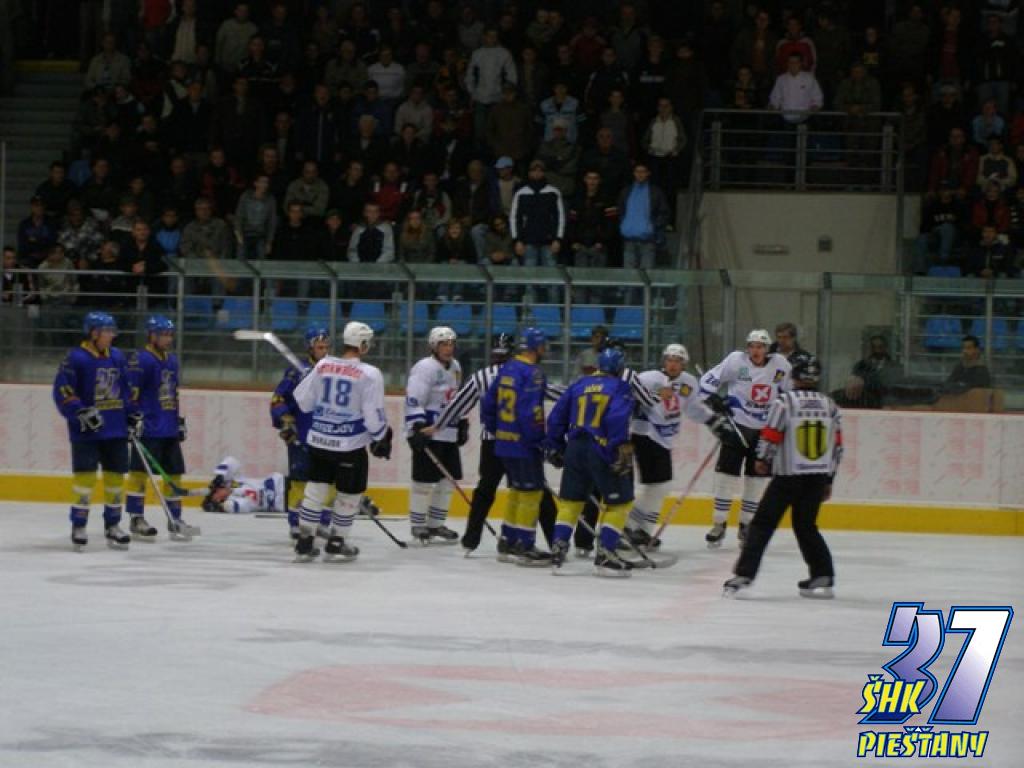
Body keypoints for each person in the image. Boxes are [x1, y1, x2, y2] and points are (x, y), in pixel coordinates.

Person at [723, 356, 842, 599]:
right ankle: (823, 574)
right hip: (817, 476)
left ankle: (744, 575)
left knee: (762, 524)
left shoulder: (785, 401)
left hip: (788, 476)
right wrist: (829, 479)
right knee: (806, 526)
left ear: (794, 377)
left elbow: (771, 435)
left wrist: (761, 459)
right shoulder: (829, 405)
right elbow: (837, 447)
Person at [289, 321, 392, 562]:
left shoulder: (323, 365)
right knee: (349, 495)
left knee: (315, 490)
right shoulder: (370, 373)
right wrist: (382, 436)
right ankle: (337, 542)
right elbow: (373, 416)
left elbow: (303, 401)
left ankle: (304, 542)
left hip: (319, 441)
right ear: (363, 345)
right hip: (350, 446)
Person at [544, 347, 637, 577]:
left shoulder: (578, 385)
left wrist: (555, 446)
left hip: (575, 448)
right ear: (619, 368)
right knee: (619, 503)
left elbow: (556, 417)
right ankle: (606, 553)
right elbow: (617, 417)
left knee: (571, 502)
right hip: (602, 448)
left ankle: (558, 549)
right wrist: (619, 446)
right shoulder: (620, 387)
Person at [626, 344, 728, 549]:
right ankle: (628, 527)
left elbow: (693, 408)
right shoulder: (649, 378)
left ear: (684, 364)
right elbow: (628, 399)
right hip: (645, 435)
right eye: (670, 360)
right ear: (664, 361)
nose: (673, 364)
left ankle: (642, 531)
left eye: (678, 361)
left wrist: (714, 421)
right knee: (660, 486)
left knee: (658, 487)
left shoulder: (688, 382)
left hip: (664, 439)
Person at [52, 312, 140, 550]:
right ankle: (79, 524)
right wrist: (79, 411)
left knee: (115, 479)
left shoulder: (117, 356)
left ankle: (113, 524)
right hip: (87, 432)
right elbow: (63, 390)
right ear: (93, 333)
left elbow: (126, 390)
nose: (111, 335)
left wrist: (132, 413)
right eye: (107, 331)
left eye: (112, 331)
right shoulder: (75, 358)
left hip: (115, 429)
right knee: (85, 478)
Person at [699, 329, 793, 548]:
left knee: (756, 479)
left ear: (767, 349)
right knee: (726, 476)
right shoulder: (736, 361)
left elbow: (791, 393)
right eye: (752, 346)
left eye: (760, 346)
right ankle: (719, 523)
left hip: (765, 431)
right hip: (736, 427)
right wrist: (713, 400)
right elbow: (706, 382)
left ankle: (746, 525)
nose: (755, 350)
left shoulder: (780, 365)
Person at [480, 328, 551, 564]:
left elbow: (488, 404)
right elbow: (531, 411)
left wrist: (498, 431)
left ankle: (508, 540)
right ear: (536, 347)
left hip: (504, 442)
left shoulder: (507, 368)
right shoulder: (533, 373)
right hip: (524, 444)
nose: (545, 350)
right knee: (532, 492)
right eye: (543, 345)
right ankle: (524, 544)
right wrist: (539, 440)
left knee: (517, 491)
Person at [124, 315, 197, 541]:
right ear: (152, 335)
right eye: (164, 335)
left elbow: (173, 394)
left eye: (170, 335)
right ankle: (136, 518)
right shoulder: (141, 360)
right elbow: (130, 393)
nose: (168, 339)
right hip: (148, 428)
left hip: (168, 428)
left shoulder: (172, 361)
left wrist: (178, 421)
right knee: (139, 474)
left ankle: (175, 519)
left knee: (174, 474)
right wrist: (131, 418)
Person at [269, 326, 335, 540]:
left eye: (326, 347)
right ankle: (296, 523)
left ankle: (323, 522)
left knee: (328, 480)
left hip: (327, 436)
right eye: (319, 347)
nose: (324, 351)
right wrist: (285, 420)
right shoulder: (296, 371)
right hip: (302, 435)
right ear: (310, 348)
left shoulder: (335, 371)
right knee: (299, 480)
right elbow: (278, 398)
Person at [404, 326, 463, 544]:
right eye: (443, 344)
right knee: (423, 482)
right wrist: (417, 427)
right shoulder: (424, 368)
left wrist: (461, 422)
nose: (448, 348)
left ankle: (436, 524)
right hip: (428, 432)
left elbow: (455, 398)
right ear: (434, 346)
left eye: (451, 344)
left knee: (447, 481)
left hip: (448, 432)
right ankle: (418, 525)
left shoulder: (456, 367)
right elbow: (413, 399)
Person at [202, 457, 285, 516]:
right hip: (282, 502)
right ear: (218, 500)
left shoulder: (234, 481)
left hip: (280, 483)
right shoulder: (233, 500)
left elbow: (232, 461)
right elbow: (242, 506)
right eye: (216, 492)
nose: (219, 487)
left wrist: (219, 475)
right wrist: (222, 507)